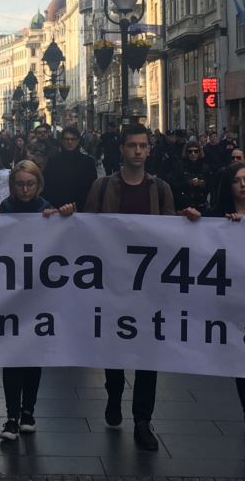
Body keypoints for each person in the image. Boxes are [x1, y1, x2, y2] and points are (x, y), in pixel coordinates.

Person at [180, 163, 245, 455]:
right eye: (237, 180)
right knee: (244, 362)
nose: (244, 184)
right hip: (233, 302)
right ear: (228, 185)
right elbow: (199, 239)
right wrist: (196, 220)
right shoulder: (218, 215)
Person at [83, 124, 175, 452]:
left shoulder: (160, 189)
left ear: (149, 150)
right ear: (121, 149)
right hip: (113, 282)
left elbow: (172, 233)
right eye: (132, 145)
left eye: (143, 145)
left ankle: (142, 420)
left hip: (149, 285)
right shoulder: (103, 186)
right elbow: (85, 228)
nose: (138, 151)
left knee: (148, 352)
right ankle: (114, 392)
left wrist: (191, 221)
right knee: (114, 347)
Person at [0, 161, 74, 441]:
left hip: (38, 296)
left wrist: (63, 216)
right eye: (20, 184)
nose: (25, 189)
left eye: (30, 184)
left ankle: (28, 412)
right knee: (12, 356)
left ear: (39, 185)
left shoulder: (48, 210)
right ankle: (12, 415)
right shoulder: (1, 210)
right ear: (12, 186)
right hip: (9, 296)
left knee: (33, 356)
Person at [42, 126, 98, 210]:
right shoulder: (53, 161)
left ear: (78, 140)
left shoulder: (88, 162)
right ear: (62, 141)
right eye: (66, 139)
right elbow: (46, 185)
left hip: (81, 208)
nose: (69, 142)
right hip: (57, 208)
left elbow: (93, 187)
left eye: (73, 139)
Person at [174, 141, 212, 214]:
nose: (193, 154)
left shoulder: (205, 167)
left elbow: (211, 186)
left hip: (201, 204)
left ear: (199, 152)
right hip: (184, 204)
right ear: (186, 153)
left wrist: (203, 184)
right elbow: (174, 184)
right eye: (190, 151)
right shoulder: (180, 166)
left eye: (196, 151)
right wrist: (188, 183)